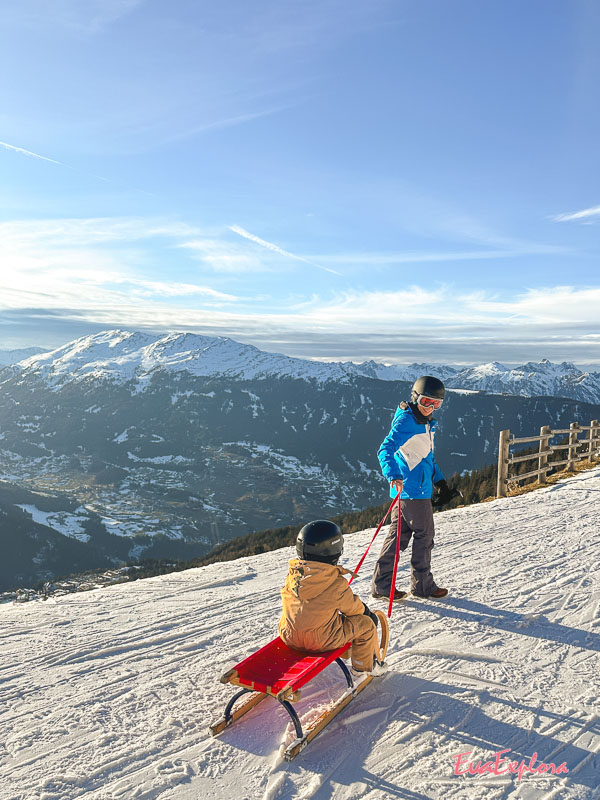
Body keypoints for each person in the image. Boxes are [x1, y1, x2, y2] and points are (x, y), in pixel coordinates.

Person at [371, 375, 455, 601]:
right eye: (427, 401)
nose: (431, 408)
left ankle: (381, 585)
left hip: (411, 490)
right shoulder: (408, 422)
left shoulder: (424, 423)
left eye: (437, 404)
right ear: (416, 397)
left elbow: (425, 457)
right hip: (413, 491)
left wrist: (440, 481)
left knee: (397, 539)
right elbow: (385, 449)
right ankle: (422, 586)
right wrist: (393, 475)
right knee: (425, 535)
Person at [279, 519, 380, 673]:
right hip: (320, 642)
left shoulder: (293, 576)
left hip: (289, 637)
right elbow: (353, 609)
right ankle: (362, 670)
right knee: (366, 625)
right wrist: (368, 614)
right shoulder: (335, 583)